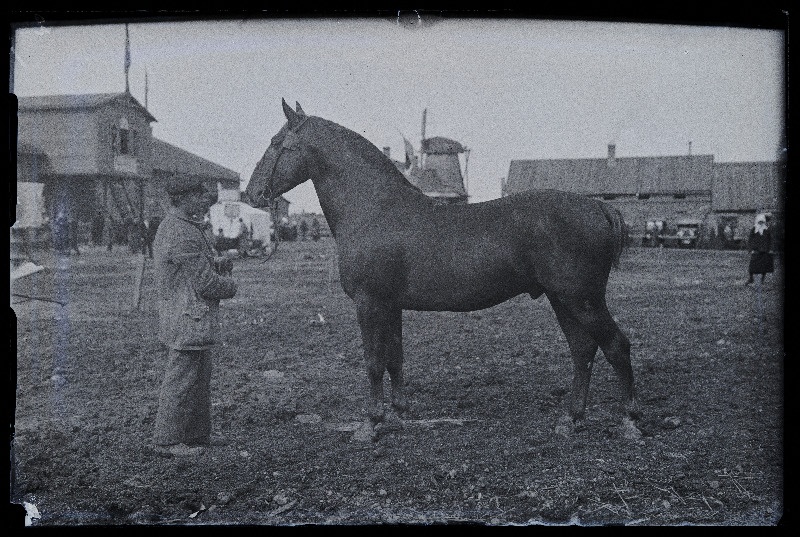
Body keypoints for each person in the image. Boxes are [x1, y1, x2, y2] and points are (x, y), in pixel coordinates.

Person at [152, 175, 237, 457]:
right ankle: (167, 441)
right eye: (200, 195)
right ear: (183, 198)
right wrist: (230, 286)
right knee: (182, 379)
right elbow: (205, 284)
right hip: (187, 317)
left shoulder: (182, 227)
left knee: (199, 379)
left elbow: (193, 268)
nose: (205, 200)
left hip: (191, 316)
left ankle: (197, 435)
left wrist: (216, 263)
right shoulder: (181, 231)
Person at [745, 213, 774, 286]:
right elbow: (750, 240)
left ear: (764, 222)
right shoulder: (754, 229)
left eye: (762, 222)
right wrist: (750, 249)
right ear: (757, 221)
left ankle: (762, 280)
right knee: (752, 266)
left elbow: (770, 240)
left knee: (764, 266)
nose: (761, 223)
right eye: (759, 221)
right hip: (756, 250)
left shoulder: (766, 229)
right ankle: (751, 278)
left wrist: (770, 249)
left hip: (765, 250)